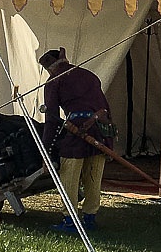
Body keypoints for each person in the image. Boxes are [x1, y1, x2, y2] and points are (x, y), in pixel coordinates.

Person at [39, 46, 113, 232]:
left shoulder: (53, 81)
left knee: (69, 177)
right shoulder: (89, 75)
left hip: (77, 132)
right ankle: (90, 218)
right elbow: (104, 108)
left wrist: (46, 151)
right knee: (93, 176)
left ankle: (70, 221)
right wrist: (109, 140)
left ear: (50, 69)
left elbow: (52, 119)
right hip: (101, 131)